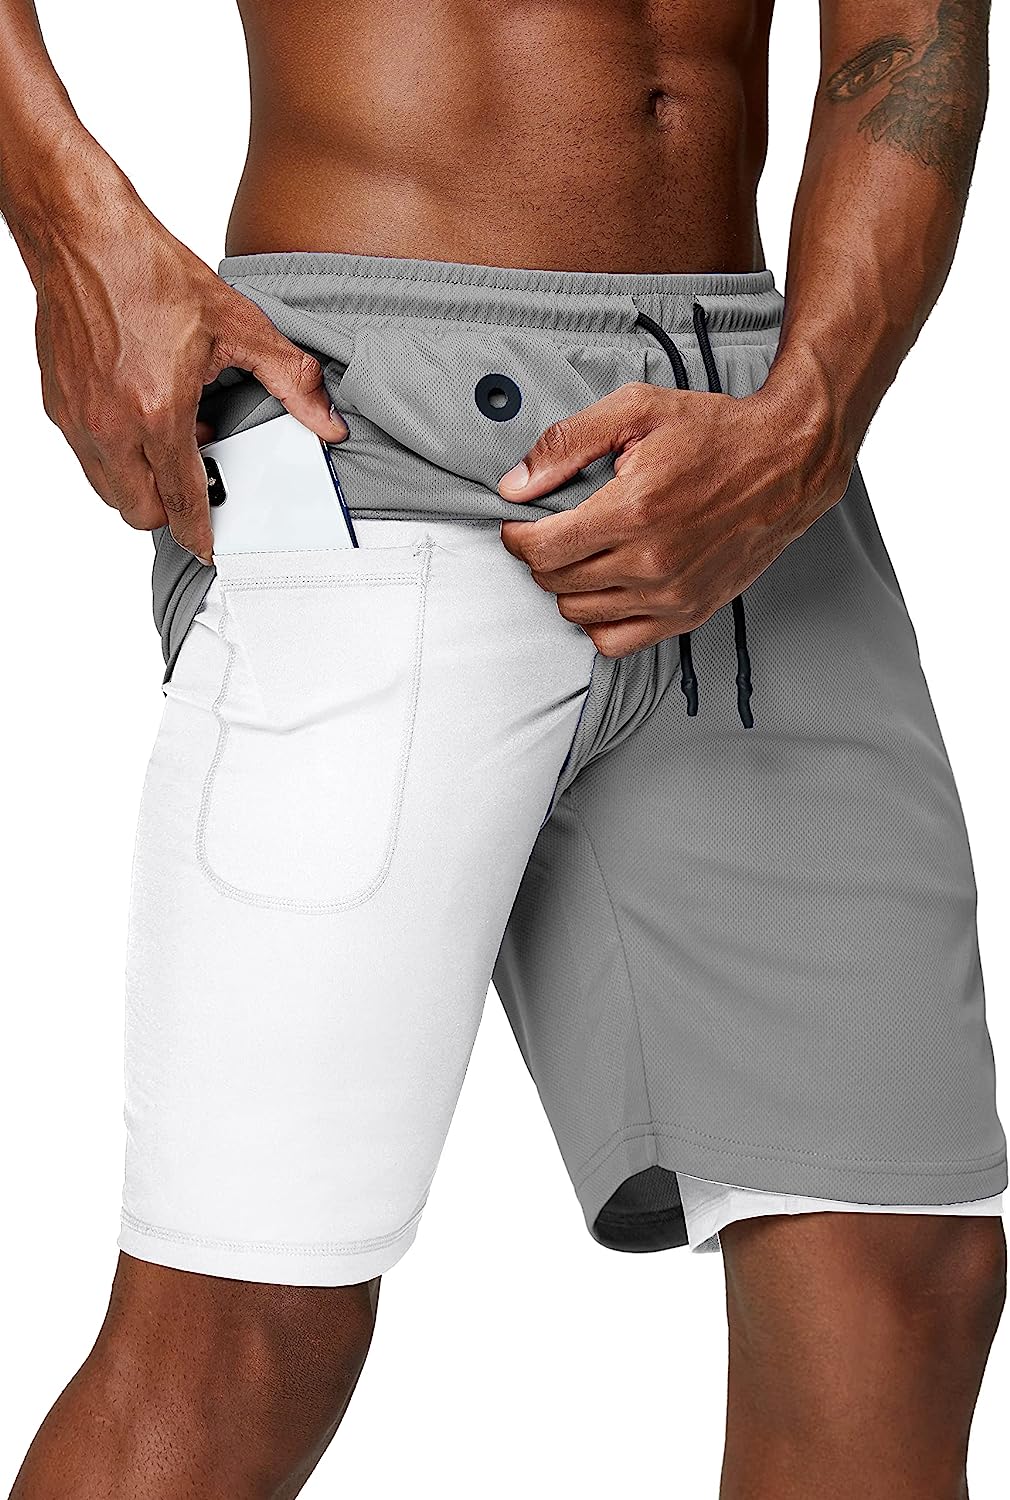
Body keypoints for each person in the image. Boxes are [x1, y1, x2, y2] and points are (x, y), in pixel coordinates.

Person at [0, 1, 1005, 1494]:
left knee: (897, 1276)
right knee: (247, 1332)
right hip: (370, 438)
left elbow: (912, 23)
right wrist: (72, 225)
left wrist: (803, 428)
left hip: (741, 461)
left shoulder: (775, 451)